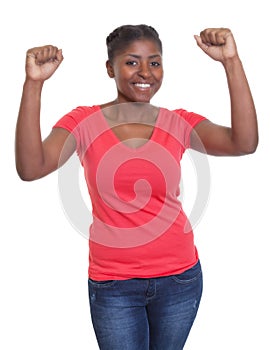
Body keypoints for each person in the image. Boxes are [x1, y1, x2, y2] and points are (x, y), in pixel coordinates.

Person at [15, 24, 258, 350]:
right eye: (132, 62)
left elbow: (244, 142)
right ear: (109, 68)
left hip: (180, 279)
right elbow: (31, 168)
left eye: (154, 62)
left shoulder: (177, 122)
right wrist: (34, 84)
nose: (146, 72)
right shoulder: (85, 122)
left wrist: (231, 61)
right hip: (114, 284)